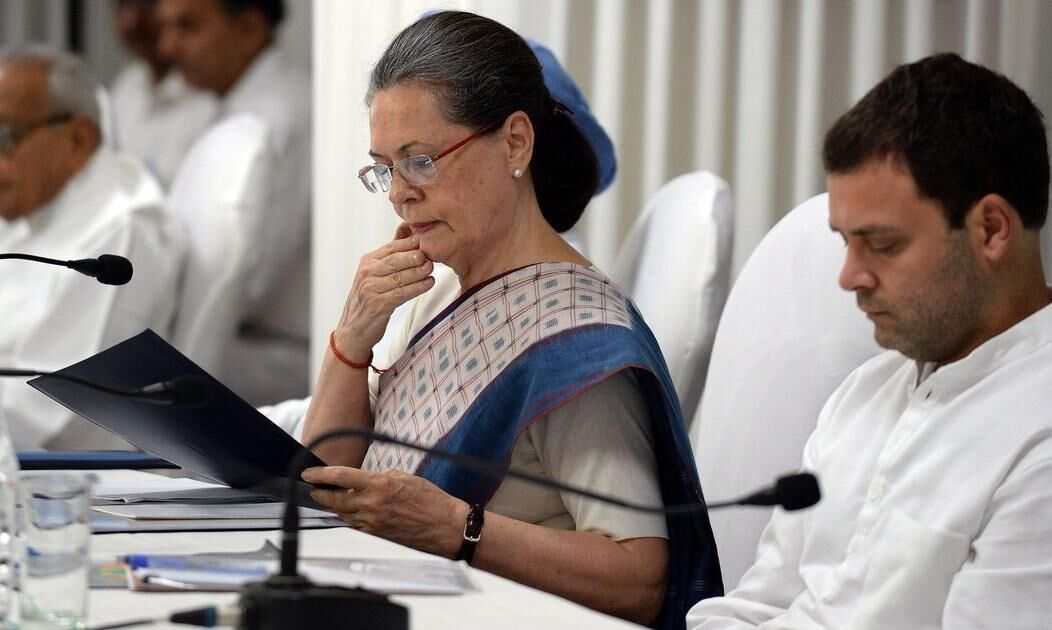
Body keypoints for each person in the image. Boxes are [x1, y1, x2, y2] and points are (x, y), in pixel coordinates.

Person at [298, 11, 721, 629]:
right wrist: (352, 339)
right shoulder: (435, 290)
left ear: (516, 143)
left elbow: (642, 578)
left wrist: (457, 528)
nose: (399, 193)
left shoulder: (576, 340)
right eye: (385, 168)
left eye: (421, 160)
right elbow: (321, 487)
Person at [687, 53, 1052, 629]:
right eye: (845, 242)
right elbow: (754, 607)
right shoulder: (864, 393)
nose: (848, 276)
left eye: (881, 245)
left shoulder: (1037, 435)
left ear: (991, 229)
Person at [0, 46, 179, 449]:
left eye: (5, 137)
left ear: (78, 140)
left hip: (58, 474)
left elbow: (56, 417)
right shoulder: (29, 206)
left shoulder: (119, 235)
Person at [156, 0, 310, 404]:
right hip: (242, 339)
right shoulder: (230, 104)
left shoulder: (279, 118)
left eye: (188, 27)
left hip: (273, 353)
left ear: (249, 28)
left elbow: (250, 281)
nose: (168, 46)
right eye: (165, 27)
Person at [109, 0, 217, 187]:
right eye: (122, 5)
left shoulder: (210, 92)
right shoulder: (126, 86)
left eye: (148, 5)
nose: (133, 21)